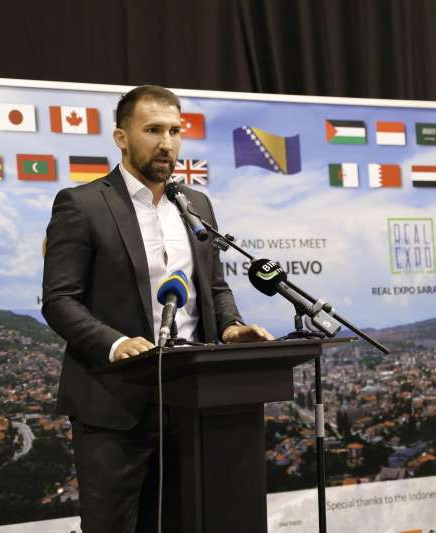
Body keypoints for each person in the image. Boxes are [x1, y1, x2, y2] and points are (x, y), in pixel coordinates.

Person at [42, 85, 273, 533]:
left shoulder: (196, 205)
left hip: (192, 401)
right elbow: (59, 300)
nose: (167, 143)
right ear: (121, 137)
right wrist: (116, 343)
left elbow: (215, 286)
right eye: (152, 130)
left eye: (174, 131)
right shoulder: (82, 204)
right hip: (114, 403)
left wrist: (231, 326)